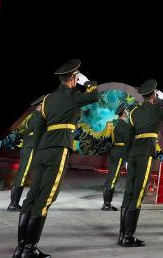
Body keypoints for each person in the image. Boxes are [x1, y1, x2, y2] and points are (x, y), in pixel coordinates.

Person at [13, 59, 100, 258]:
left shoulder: (47, 99)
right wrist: (87, 82)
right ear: (74, 78)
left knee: (32, 196)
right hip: (58, 148)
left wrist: (37, 152)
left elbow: (38, 127)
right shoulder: (73, 95)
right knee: (46, 198)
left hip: (42, 150)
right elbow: (94, 95)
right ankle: (30, 249)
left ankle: (21, 248)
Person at [117, 79, 163, 247]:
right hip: (145, 154)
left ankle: (122, 234)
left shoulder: (134, 112)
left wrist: (127, 158)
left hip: (133, 154)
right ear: (154, 95)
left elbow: (129, 136)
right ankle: (128, 237)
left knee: (129, 192)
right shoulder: (156, 110)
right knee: (138, 193)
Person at [8, 96, 45, 211]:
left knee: (22, 174)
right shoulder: (39, 116)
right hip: (31, 148)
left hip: (27, 147)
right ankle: (13, 204)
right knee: (23, 175)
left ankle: (14, 203)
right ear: (40, 106)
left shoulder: (32, 117)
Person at [102, 102, 133, 211]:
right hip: (120, 152)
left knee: (110, 177)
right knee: (113, 178)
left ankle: (106, 203)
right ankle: (107, 204)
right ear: (123, 112)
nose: (127, 112)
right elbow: (128, 142)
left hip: (115, 151)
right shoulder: (125, 126)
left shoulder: (117, 125)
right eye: (126, 110)